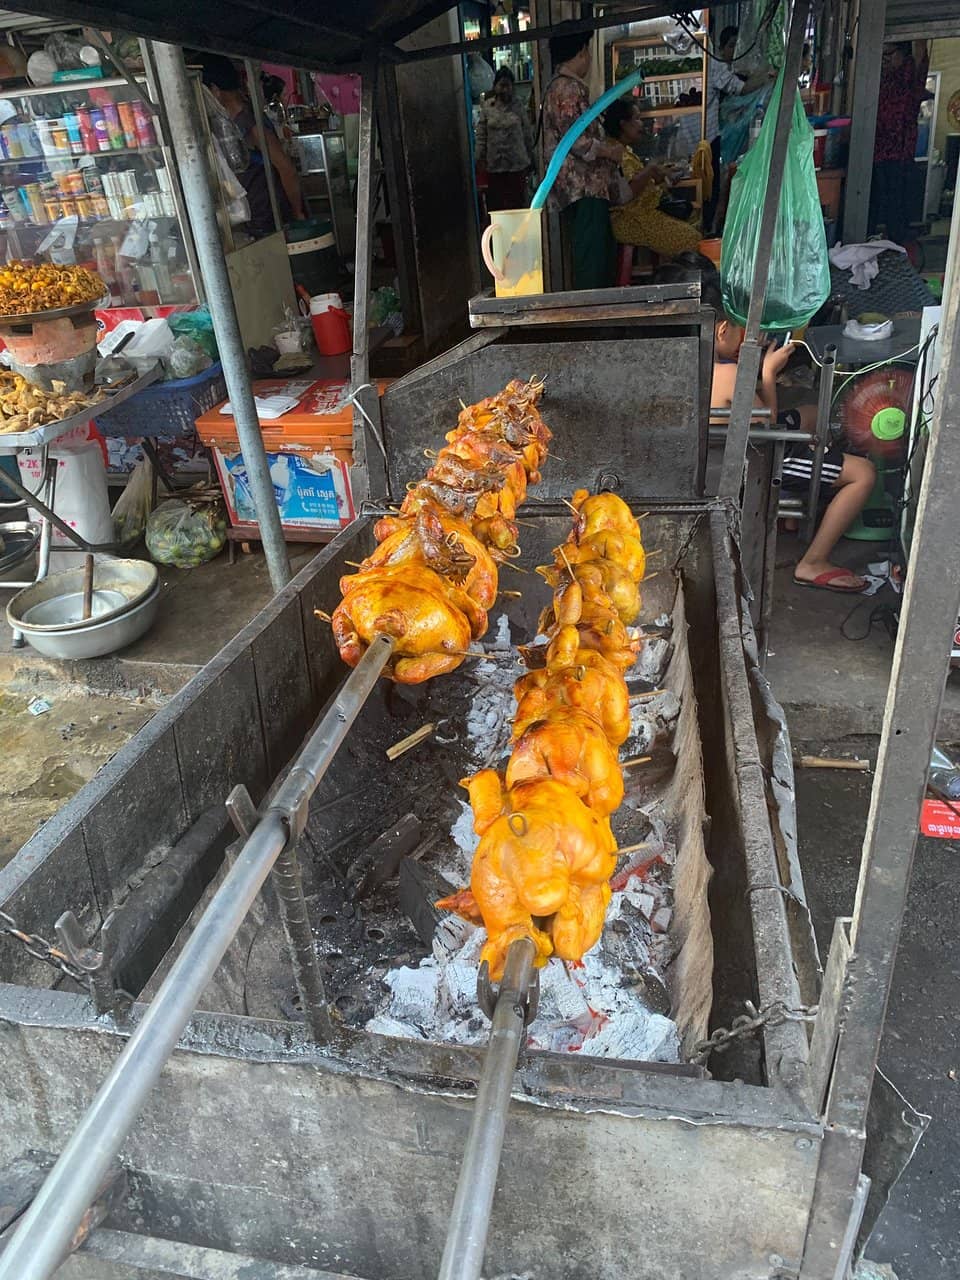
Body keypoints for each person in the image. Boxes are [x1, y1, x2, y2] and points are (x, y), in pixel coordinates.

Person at [705, 281, 875, 592]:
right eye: (742, 329)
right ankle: (813, 562)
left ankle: (809, 489)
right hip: (757, 460)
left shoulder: (700, 365)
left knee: (809, 412)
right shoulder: (729, 375)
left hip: (733, 444)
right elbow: (767, 431)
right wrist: (768, 375)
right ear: (722, 330)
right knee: (864, 473)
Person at [541, 31, 630, 290]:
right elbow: (577, 141)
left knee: (594, 253)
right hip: (583, 187)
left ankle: (596, 320)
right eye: (588, 51)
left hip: (583, 188)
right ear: (580, 52)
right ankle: (595, 322)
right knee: (592, 260)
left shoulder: (561, 87)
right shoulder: (567, 89)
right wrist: (608, 151)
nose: (589, 58)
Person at [196, 53, 305, 234]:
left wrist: (297, 213)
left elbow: (287, 169)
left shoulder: (248, 121)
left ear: (214, 90)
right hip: (252, 213)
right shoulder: (228, 123)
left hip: (269, 214)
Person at [604, 98, 701, 258]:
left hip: (645, 212)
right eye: (637, 119)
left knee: (694, 221)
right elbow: (628, 194)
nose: (641, 124)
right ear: (623, 124)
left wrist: (659, 174)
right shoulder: (615, 153)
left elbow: (640, 182)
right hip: (632, 218)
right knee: (692, 241)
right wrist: (650, 170)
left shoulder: (624, 150)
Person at [703, 26, 770, 231]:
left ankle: (709, 229)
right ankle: (709, 231)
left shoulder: (715, 66)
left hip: (704, 140)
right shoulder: (714, 65)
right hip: (705, 140)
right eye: (731, 45)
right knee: (710, 192)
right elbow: (741, 89)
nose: (735, 50)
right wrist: (767, 75)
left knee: (711, 190)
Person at [871, 41, 930, 246]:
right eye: (883, 55)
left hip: (900, 152)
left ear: (904, 54)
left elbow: (921, 53)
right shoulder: (883, 77)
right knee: (878, 200)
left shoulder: (910, 75)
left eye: (890, 54)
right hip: (878, 149)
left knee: (896, 203)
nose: (885, 60)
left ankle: (898, 243)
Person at [475, 67, 534, 212]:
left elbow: (527, 134)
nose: (505, 90)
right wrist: (478, 160)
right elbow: (481, 136)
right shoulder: (488, 107)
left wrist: (532, 159)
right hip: (495, 167)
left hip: (517, 166)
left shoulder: (518, 106)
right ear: (495, 86)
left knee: (518, 206)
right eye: (502, 85)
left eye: (508, 86)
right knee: (497, 208)